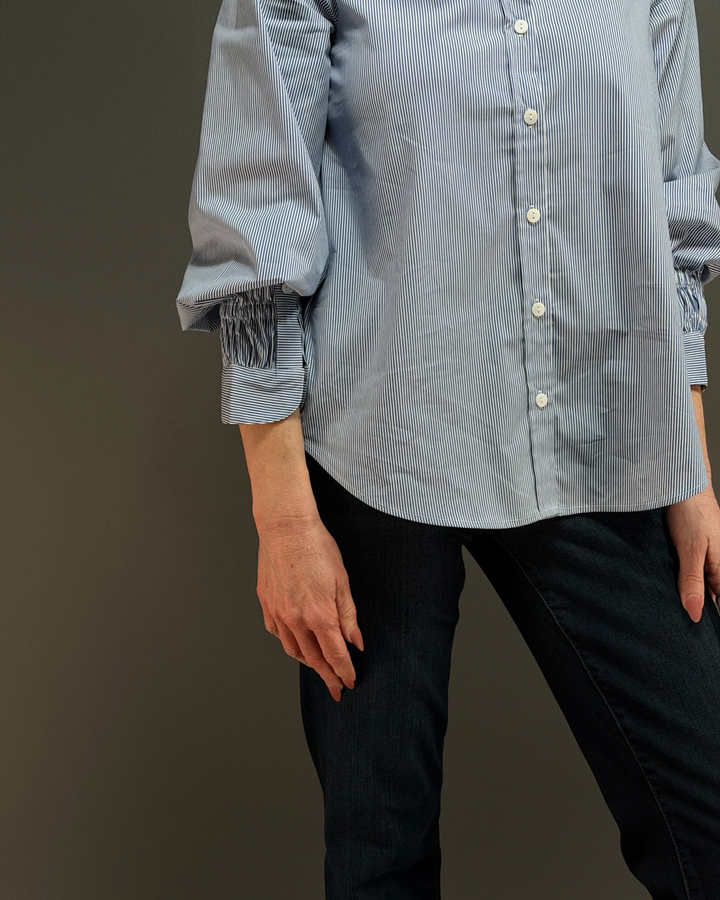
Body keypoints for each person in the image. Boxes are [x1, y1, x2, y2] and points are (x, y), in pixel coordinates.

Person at [175, 0, 720, 896]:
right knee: (377, 856)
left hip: (601, 431)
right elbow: (257, 216)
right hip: (378, 450)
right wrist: (283, 519)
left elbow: (677, 217)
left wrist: (689, 474)